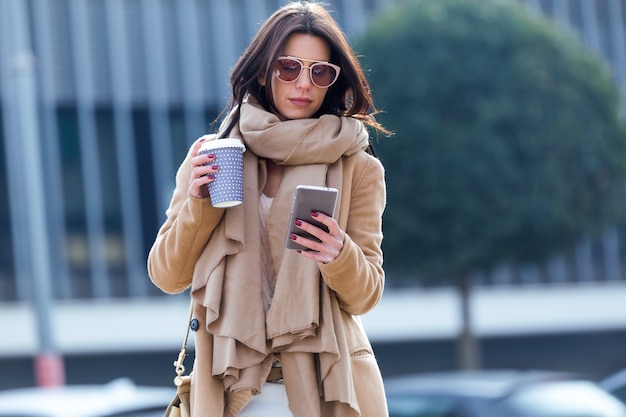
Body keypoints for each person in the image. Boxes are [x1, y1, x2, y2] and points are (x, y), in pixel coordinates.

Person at [148, 1, 390, 416]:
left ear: (333, 81)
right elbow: (168, 275)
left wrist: (338, 253)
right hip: (232, 392)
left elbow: (366, 294)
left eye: (320, 72)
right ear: (264, 71)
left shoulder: (358, 167)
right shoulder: (214, 155)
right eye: (289, 68)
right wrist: (198, 206)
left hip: (324, 390)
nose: (304, 84)